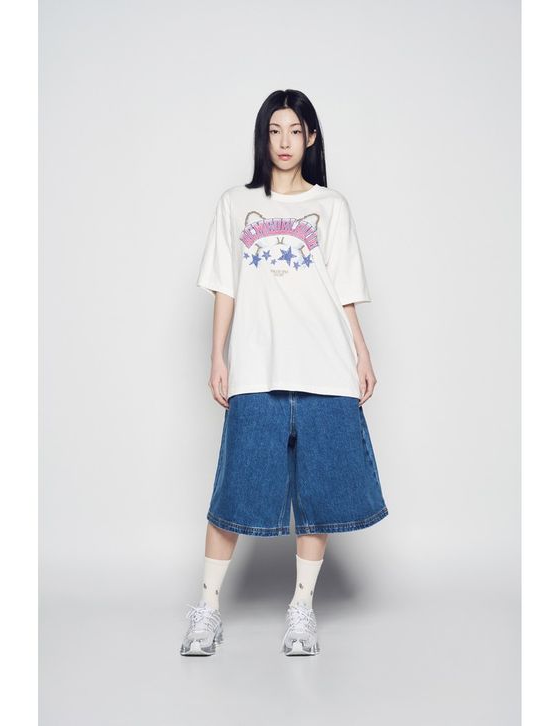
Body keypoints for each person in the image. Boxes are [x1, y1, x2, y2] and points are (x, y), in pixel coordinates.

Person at [180, 89, 388, 657]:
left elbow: (344, 289)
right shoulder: (235, 204)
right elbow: (225, 286)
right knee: (236, 489)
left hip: (326, 365)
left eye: (295, 131)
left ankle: (301, 609)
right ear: (263, 138)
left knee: (317, 495)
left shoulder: (332, 206)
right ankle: (208, 610)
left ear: (311, 137)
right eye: (274, 131)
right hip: (257, 366)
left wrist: (362, 352)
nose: (285, 142)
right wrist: (217, 355)